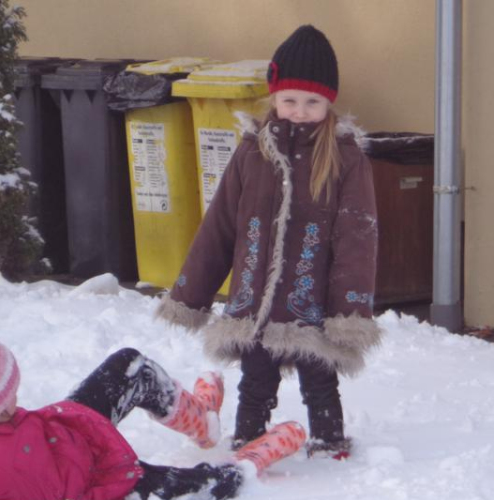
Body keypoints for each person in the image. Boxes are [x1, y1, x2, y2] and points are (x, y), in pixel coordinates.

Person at [155, 25, 381, 459]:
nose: (299, 111)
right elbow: (219, 227)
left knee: (320, 377)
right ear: (274, 96)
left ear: (329, 103)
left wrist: (348, 310)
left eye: (312, 102)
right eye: (290, 99)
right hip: (255, 301)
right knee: (255, 379)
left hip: (312, 300)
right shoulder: (251, 152)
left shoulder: (345, 157)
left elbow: (358, 236)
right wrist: (191, 294)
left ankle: (330, 445)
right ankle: (247, 443)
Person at [0, 337, 306, 500]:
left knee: (130, 366)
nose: (17, 398)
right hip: (105, 483)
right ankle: (246, 468)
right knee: (203, 487)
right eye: (8, 397)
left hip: (67, 432)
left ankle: (205, 424)